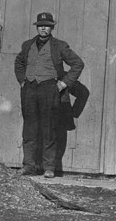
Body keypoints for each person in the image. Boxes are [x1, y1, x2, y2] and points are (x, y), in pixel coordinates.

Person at [13, 12, 84, 178]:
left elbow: (78, 64)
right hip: (30, 89)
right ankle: (29, 165)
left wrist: (63, 84)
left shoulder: (59, 46)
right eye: (40, 25)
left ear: (52, 27)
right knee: (29, 129)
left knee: (49, 129)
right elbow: (19, 62)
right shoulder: (27, 45)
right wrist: (22, 80)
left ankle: (49, 167)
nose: (43, 28)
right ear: (37, 27)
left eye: (46, 25)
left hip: (49, 89)